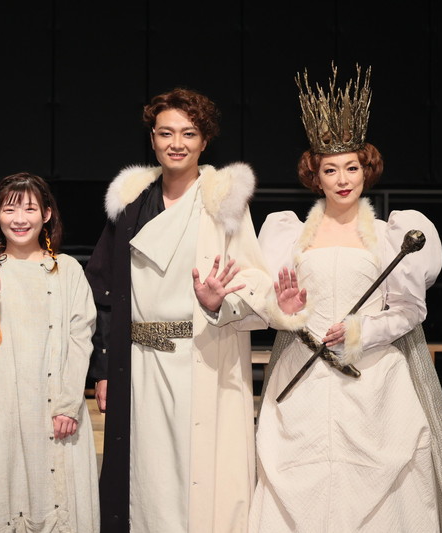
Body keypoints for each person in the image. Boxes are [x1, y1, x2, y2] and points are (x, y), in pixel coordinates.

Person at [249, 65, 442, 532]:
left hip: (373, 379)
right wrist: (285, 313)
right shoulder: (287, 235)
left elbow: (410, 309)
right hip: (303, 374)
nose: (342, 179)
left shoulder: (392, 234)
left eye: (351, 168)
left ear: (366, 170)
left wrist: (362, 330)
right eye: (330, 169)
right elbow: (273, 308)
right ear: (315, 176)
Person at [85, 88, 272, 532]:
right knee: (146, 477)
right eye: (166, 133)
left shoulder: (223, 200)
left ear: (204, 141)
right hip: (140, 364)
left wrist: (219, 301)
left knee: (196, 475)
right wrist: (105, 370)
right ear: (152, 138)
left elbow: (257, 281)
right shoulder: (132, 202)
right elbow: (104, 291)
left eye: (189, 133)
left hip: (201, 357)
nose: (176, 143)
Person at [0, 172, 100, 532]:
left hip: (54, 406)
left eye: (30, 209)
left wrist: (68, 404)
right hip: (1, 405)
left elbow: (81, 339)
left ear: (46, 214)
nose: (20, 219)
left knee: (56, 498)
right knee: (4, 494)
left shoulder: (67, 270)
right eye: (10, 210)